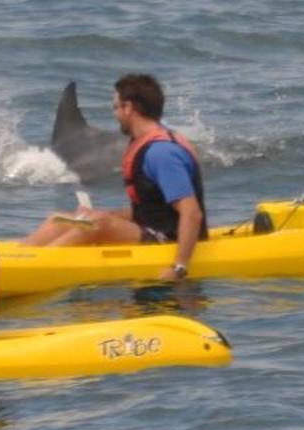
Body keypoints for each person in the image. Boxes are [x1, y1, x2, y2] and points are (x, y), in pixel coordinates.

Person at [22, 73, 206, 282]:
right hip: (153, 230)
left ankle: (33, 269)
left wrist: (179, 267)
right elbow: (155, 210)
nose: (115, 113)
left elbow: (191, 213)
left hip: (169, 242)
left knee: (98, 224)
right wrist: (105, 213)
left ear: (129, 108)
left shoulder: (162, 152)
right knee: (61, 219)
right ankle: (18, 258)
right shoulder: (142, 142)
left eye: (116, 107)